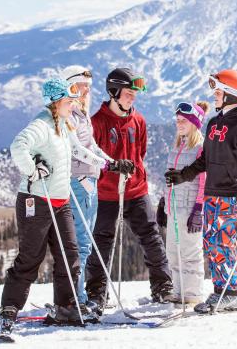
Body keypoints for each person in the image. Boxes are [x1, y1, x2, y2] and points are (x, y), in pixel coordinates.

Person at [165, 69, 237, 313]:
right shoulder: (215, 122)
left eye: (218, 91)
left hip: (233, 190)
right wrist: (183, 175)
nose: (214, 95)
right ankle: (224, 290)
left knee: (223, 242)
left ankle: (232, 293)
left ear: (232, 94)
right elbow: (204, 160)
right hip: (213, 191)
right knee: (211, 242)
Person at [0, 77, 85, 335]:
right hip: (35, 200)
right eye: (69, 101)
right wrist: (32, 172)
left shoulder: (63, 124)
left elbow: (78, 150)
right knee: (31, 257)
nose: (73, 105)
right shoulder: (41, 124)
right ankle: (9, 309)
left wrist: (108, 165)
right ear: (55, 102)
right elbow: (18, 146)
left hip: (61, 200)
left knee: (70, 255)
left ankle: (66, 307)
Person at [85, 67, 172, 313]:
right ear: (113, 92)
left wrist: (135, 175)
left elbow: (140, 153)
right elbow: (93, 158)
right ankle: (96, 294)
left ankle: (163, 287)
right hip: (106, 194)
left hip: (136, 190)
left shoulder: (139, 121)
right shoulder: (97, 123)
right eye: (127, 92)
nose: (132, 97)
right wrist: (110, 172)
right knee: (101, 243)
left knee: (151, 237)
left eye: (134, 93)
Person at [60, 65, 133, 316]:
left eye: (89, 87)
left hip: (89, 182)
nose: (87, 91)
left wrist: (112, 163)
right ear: (70, 85)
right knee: (80, 243)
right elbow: (76, 150)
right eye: (83, 86)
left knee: (86, 244)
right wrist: (107, 164)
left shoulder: (81, 114)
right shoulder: (68, 116)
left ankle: (77, 297)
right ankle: (76, 299)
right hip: (77, 182)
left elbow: (91, 146)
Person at [156, 101, 209, 305]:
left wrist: (198, 209)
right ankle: (179, 293)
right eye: (177, 120)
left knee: (190, 254)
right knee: (173, 252)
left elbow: (203, 181)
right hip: (174, 208)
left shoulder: (200, 148)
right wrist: (163, 202)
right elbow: (169, 178)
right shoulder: (178, 145)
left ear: (194, 122)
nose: (179, 124)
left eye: (184, 121)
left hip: (189, 209)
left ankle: (193, 294)